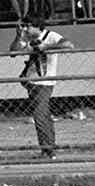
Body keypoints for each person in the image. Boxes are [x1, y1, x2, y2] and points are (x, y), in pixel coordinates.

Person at [9, 15, 74, 159]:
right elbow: (13, 52)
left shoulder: (51, 36)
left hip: (44, 82)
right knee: (43, 115)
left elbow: (69, 45)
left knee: (39, 115)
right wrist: (18, 37)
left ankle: (48, 149)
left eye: (27, 26)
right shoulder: (26, 38)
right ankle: (47, 148)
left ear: (36, 26)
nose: (25, 28)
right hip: (32, 82)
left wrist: (46, 47)